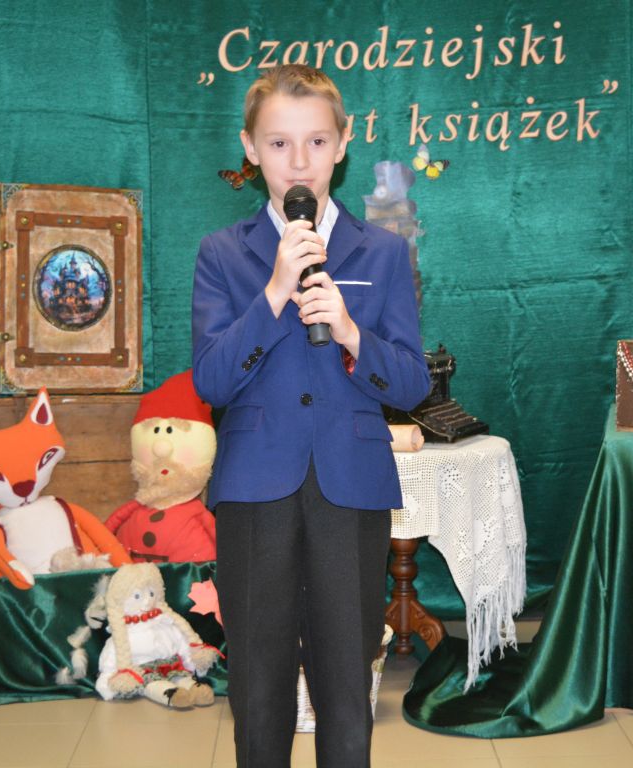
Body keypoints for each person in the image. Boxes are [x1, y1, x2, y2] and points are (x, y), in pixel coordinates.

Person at [191, 64, 431, 767]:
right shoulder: (222, 253)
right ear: (249, 148)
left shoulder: (382, 251)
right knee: (258, 686)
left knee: (346, 684)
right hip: (254, 488)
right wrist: (273, 293)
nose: (299, 162)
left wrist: (353, 335)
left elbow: (411, 381)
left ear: (343, 143)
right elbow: (211, 380)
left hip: (350, 487)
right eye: (278, 144)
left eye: (317, 141)